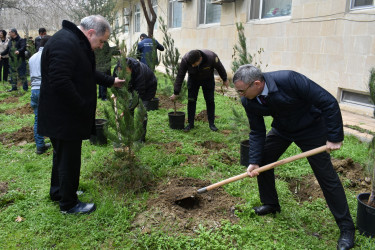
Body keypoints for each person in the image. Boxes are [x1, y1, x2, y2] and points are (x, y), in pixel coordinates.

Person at [233, 65, 355, 250]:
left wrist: (334, 137)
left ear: (256, 84)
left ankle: (347, 229)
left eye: (241, 90)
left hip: (311, 128)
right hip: (283, 128)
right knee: (264, 161)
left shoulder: (289, 79)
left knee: (326, 176)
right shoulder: (249, 101)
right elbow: (257, 131)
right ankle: (271, 204)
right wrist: (254, 160)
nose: (240, 94)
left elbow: (328, 102)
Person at [37, 15, 124, 215]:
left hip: (64, 115)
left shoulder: (74, 41)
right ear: (91, 33)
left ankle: (59, 192)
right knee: (70, 159)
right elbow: (61, 81)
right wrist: (83, 106)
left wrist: (110, 81)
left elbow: (86, 72)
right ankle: (69, 204)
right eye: (101, 41)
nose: (101, 46)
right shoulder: (66, 43)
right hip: (64, 116)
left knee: (62, 156)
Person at [170, 49, 229, 132]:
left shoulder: (211, 57)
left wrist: (225, 79)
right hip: (193, 80)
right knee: (191, 101)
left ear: (200, 59)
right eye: (191, 64)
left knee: (210, 101)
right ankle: (190, 123)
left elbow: (220, 67)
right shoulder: (186, 59)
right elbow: (180, 75)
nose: (193, 66)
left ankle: (211, 124)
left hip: (208, 79)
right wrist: (176, 92)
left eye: (194, 64)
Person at [113, 57, 157, 142]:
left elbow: (138, 96)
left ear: (131, 68)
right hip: (133, 86)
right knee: (129, 108)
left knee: (141, 110)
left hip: (148, 87)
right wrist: (115, 92)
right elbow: (115, 82)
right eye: (121, 72)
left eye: (126, 72)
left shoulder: (139, 72)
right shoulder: (117, 69)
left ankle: (141, 137)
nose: (123, 74)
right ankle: (130, 131)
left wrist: (127, 110)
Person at [29, 35, 52, 155]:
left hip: (34, 90)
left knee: (38, 118)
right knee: (53, 115)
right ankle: (57, 142)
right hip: (45, 89)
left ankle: (40, 146)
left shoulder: (32, 57)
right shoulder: (48, 56)